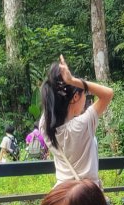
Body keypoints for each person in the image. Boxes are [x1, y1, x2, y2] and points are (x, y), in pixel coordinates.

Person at [39, 55, 114, 186]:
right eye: (85, 94)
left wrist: (61, 82)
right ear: (75, 97)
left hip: (62, 189)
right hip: (85, 194)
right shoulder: (81, 125)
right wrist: (73, 80)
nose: (86, 100)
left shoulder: (45, 124)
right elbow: (108, 93)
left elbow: (52, 101)